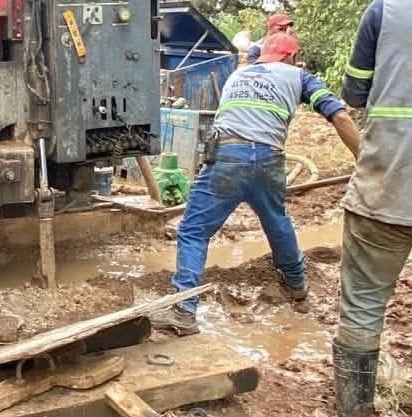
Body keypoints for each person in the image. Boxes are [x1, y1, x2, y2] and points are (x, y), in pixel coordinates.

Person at [150, 32, 360, 336]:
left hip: (226, 156)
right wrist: (365, 160)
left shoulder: (238, 75)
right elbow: (339, 117)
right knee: (276, 222)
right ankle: (297, 285)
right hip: (268, 158)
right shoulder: (299, 76)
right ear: (291, 57)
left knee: (194, 231)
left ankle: (184, 310)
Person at [333, 0, 412, 417]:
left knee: (363, 305)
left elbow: (354, 96)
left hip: (388, 184)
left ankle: (355, 409)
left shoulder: (390, 7)